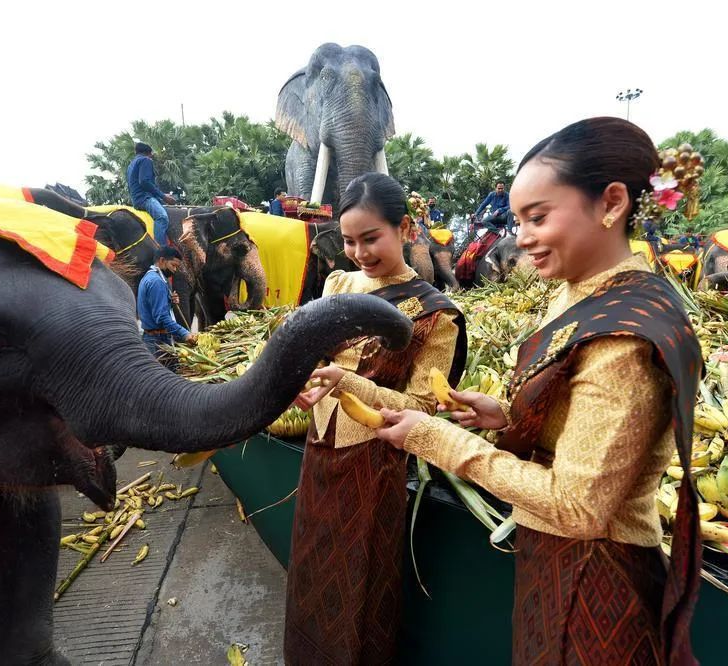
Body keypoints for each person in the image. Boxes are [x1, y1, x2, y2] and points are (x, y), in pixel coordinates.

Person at [377, 118, 702, 665]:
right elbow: (576, 424)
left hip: (597, 576)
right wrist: (505, 418)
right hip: (554, 557)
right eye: (519, 219)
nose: (521, 237)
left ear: (612, 203)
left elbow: (577, 506)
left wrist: (438, 440)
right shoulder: (579, 292)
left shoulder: (624, 338)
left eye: (538, 217)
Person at [283, 173, 467, 665]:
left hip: (374, 464)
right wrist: (302, 383)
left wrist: (348, 385)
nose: (359, 252)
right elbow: (311, 353)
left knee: (361, 582)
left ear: (405, 228)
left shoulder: (434, 314)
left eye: (371, 238)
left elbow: (426, 408)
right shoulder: (338, 283)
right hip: (319, 455)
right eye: (348, 241)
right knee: (312, 571)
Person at [137, 246, 191, 363]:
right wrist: (185, 334)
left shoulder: (149, 277)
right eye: (173, 265)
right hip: (158, 341)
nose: (174, 270)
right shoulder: (157, 282)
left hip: (152, 339)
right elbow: (161, 318)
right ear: (162, 261)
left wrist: (169, 301)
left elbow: (154, 308)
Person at [126, 142, 176, 245]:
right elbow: (144, 182)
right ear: (149, 153)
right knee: (162, 218)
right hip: (145, 198)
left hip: (137, 199)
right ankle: (161, 251)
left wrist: (161, 197)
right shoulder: (145, 160)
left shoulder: (131, 164)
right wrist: (164, 196)